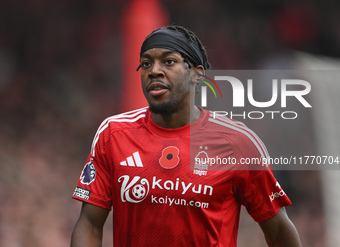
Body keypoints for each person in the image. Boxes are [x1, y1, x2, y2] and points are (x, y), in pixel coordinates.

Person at [71, 25, 302, 247]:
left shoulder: (238, 143)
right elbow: (90, 223)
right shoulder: (113, 134)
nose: (154, 71)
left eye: (169, 61)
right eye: (146, 63)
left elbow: (279, 231)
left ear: (197, 74)